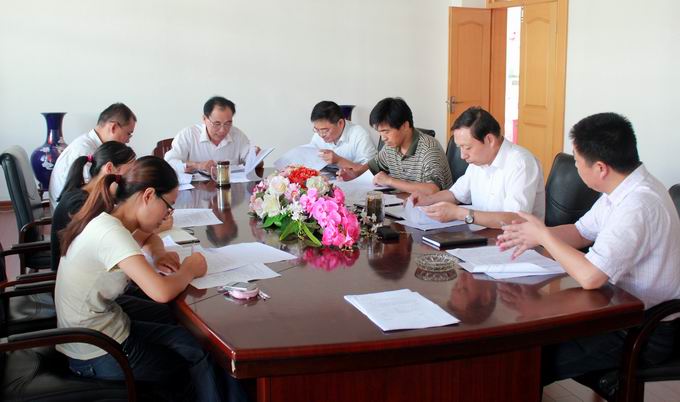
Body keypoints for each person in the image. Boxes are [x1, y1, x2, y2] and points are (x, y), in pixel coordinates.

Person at [496, 112, 680, 386]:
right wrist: (530, 236)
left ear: (601, 168)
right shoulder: (622, 187)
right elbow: (581, 232)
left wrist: (544, 235)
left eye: (578, 160)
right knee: (525, 342)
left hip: (645, 330)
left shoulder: (638, 204)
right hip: (614, 308)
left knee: (526, 361)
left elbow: (592, 277)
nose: (576, 166)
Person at [56, 156, 247, 401]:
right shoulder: (110, 233)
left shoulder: (110, 219)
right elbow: (161, 292)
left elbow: (147, 237)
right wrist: (190, 268)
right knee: (194, 359)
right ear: (148, 195)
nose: (168, 216)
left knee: (190, 341)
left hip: (101, 333)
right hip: (96, 351)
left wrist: (158, 255)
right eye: (168, 206)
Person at [412, 107, 544, 229]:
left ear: (489, 140)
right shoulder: (478, 161)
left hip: (516, 241)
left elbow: (515, 219)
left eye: (467, 147)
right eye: (460, 148)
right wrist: (428, 200)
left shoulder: (521, 163)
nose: (463, 155)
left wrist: (459, 213)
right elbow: (456, 194)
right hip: (483, 234)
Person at [338, 97, 452, 194]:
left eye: (386, 131)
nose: (383, 138)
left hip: (433, 209)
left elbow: (432, 190)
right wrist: (355, 174)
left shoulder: (429, 149)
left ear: (405, 126)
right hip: (402, 204)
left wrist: (389, 181)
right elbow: (373, 166)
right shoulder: (391, 147)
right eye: (380, 132)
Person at [49, 103, 136, 207]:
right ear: (113, 127)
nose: (128, 141)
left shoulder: (90, 145)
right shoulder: (85, 150)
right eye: (128, 134)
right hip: (75, 213)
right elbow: (92, 201)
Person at [165, 96, 259, 174]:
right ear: (204, 119)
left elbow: (252, 162)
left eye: (228, 123)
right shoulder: (188, 135)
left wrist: (257, 158)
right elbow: (169, 163)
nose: (222, 130)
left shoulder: (237, 135)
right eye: (217, 124)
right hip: (196, 189)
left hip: (230, 187)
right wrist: (197, 165)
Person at [309, 100, 376, 170]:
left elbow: (371, 170)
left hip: (354, 177)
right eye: (317, 130)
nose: (321, 135)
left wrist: (339, 160)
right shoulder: (318, 134)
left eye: (325, 130)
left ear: (340, 123)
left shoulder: (360, 135)